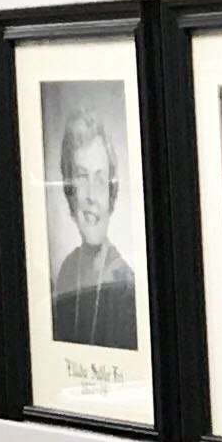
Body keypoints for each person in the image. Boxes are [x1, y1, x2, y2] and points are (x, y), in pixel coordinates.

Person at [49, 104, 141, 348]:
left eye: (101, 179)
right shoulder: (67, 271)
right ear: (70, 190)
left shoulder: (127, 289)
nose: (91, 195)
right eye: (81, 176)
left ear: (112, 193)